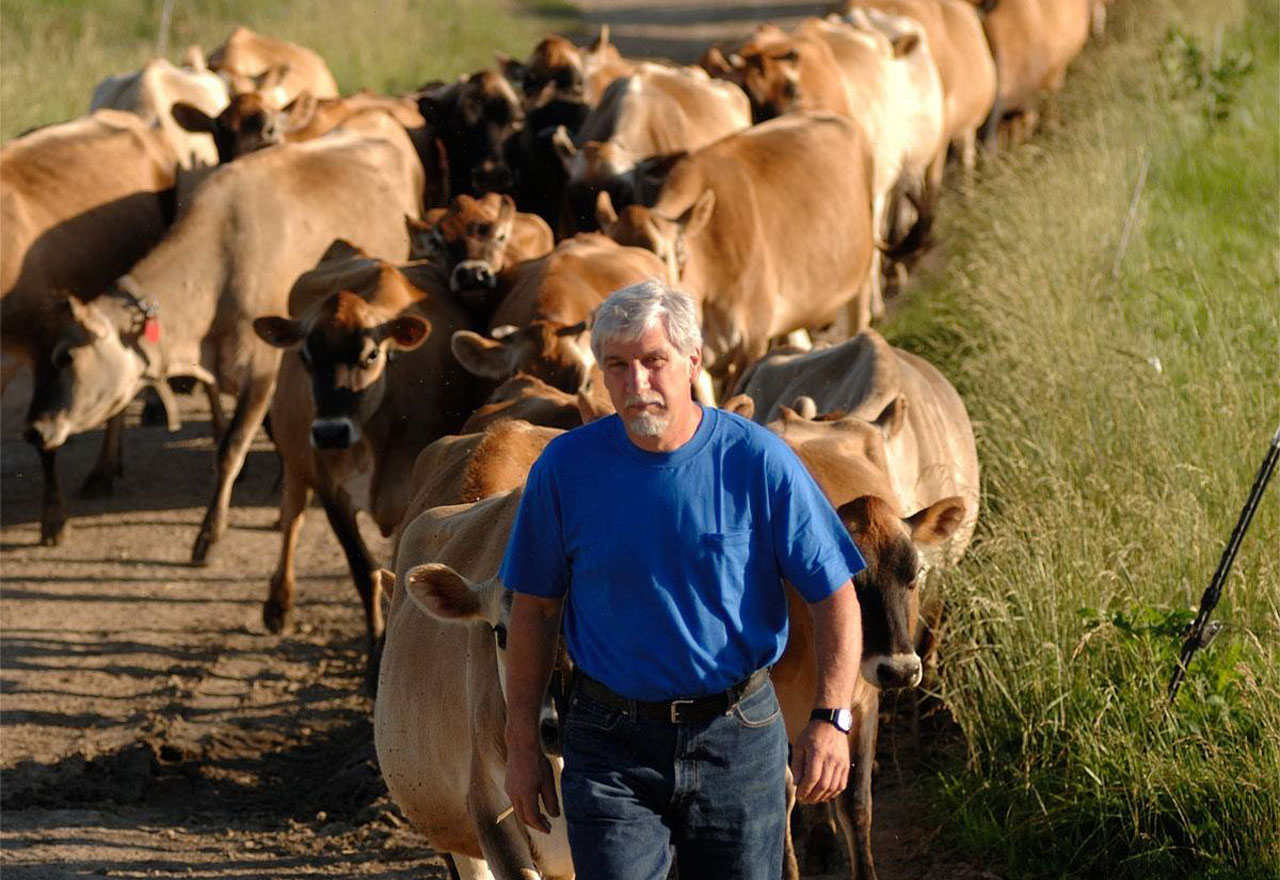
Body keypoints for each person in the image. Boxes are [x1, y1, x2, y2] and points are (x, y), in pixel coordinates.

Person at [500, 279, 865, 879]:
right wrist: (521, 742)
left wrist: (831, 717)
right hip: (608, 737)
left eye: (654, 362)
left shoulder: (757, 461)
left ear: (693, 362)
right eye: (616, 366)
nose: (636, 383)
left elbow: (834, 595)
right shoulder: (565, 470)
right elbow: (535, 609)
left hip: (738, 736)